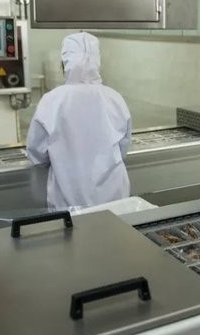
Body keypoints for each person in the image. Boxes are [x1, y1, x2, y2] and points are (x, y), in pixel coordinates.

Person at [26, 32, 132, 210]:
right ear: (97, 62)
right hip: (114, 199)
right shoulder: (114, 98)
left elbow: (37, 154)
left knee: (73, 229)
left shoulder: (52, 101)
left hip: (68, 203)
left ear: (64, 64)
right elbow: (123, 148)